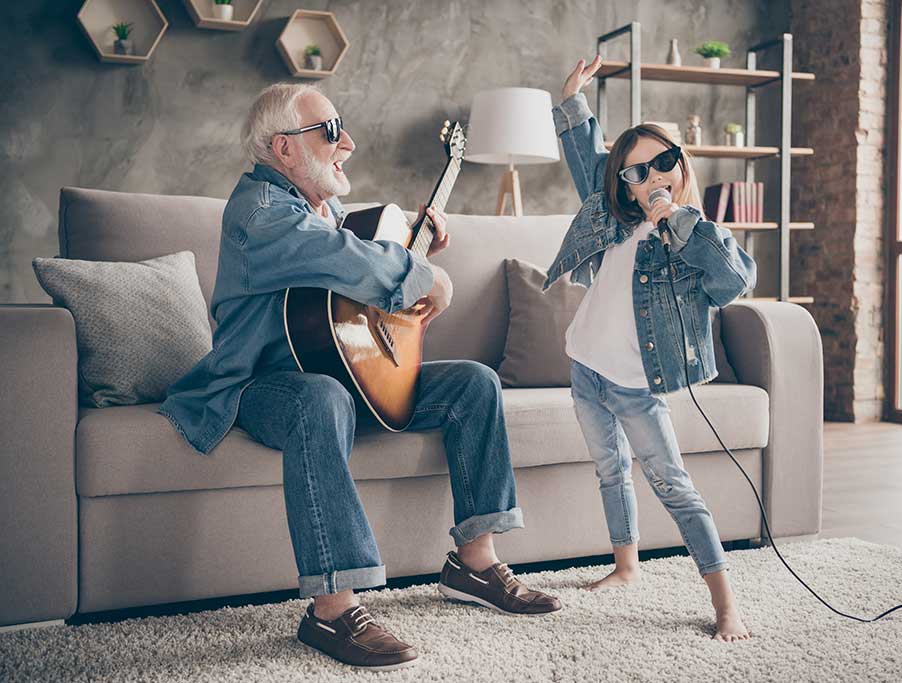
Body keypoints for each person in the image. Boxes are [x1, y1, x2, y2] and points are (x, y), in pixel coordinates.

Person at [159, 83, 561, 672]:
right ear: (284, 149)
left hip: (340, 372)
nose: (346, 142)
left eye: (341, 128)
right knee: (318, 398)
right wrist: (428, 275)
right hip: (259, 383)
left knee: (474, 382)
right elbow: (350, 260)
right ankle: (332, 608)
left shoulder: (320, 207)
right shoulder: (262, 212)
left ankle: (474, 564)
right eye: (329, 131)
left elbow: (364, 242)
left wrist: (415, 231)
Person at [545, 57, 756, 642]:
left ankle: (725, 605)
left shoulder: (699, 237)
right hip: (585, 366)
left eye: (663, 162)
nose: (651, 178)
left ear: (680, 165)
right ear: (623, 183)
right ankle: (626, 567)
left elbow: (733, 281)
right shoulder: (610, 216)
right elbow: (587, 159)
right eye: (635, 172)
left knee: (674, 486)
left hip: (637, 387)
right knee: (611, 470)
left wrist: (681, 223)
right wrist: (572, 100)